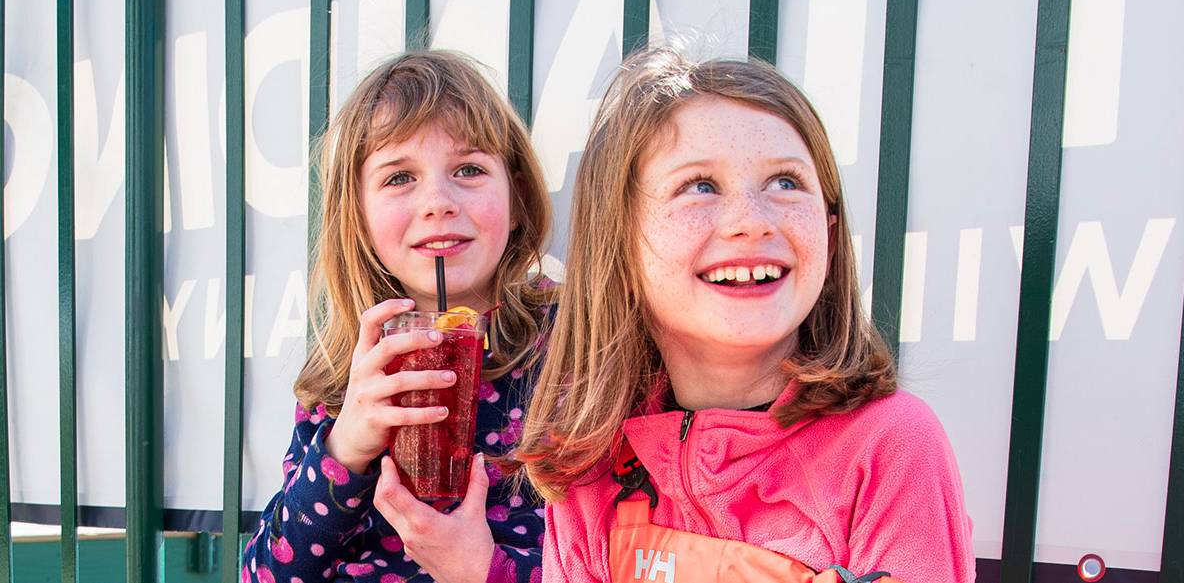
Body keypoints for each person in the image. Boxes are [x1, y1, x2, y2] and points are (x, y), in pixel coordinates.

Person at [514, 47, 974, 582]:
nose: (750, 222)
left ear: (828, 229)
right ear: (617, 243)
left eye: (786, 182)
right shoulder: (588, 471)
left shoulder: (891, 446)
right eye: (700, 187)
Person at [242, 50, 554, 583]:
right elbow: (264, 574)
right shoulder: (351, 373)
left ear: (518, 194)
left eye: (469, 169)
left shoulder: (576, 340)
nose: (438, 201)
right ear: (357, 217)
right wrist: (346, 448)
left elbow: (621, 553)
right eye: (398, 178)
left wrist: (480, 568)